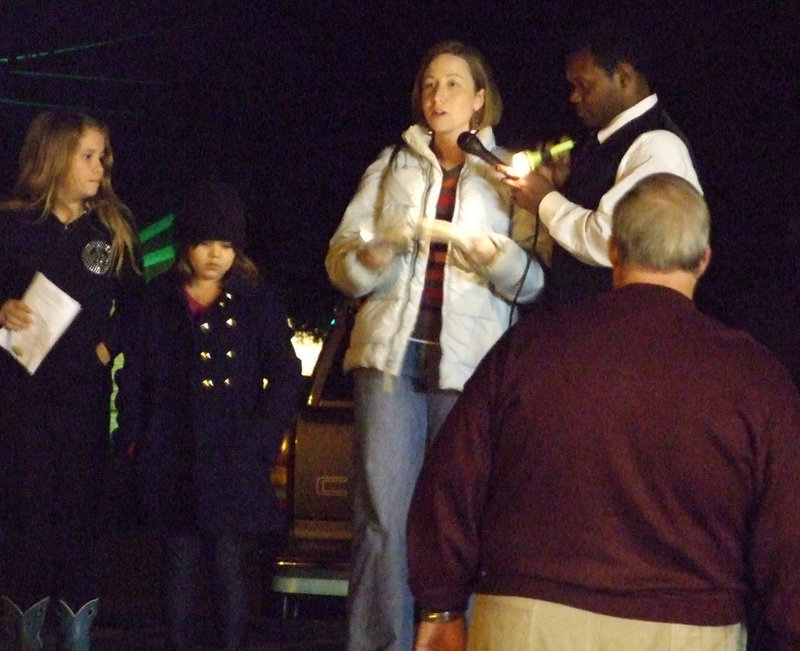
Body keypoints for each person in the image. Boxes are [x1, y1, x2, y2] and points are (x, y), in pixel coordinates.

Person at [407, 173, 800, 651]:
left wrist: (442, 604)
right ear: (703, 259)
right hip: (687, 630)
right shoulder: (754, 378)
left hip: (526, 623)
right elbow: (788, 535)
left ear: (613, 249)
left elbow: (453, 477)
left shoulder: (529, 349)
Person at [325, 40, 544, 650]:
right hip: (390, 362)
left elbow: (534, 282)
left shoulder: (507, 174)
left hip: (470, 368)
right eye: (428, 84)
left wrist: (497, 259)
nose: (436, 95)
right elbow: (340, 262)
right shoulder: (392, 164)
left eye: (451, 84)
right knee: (383, 523)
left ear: (479, 98)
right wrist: (370, 256)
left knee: (460, 524)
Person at [114, 182, 302, 650]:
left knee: (230, 565)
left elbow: (284, 376)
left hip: (234, 458)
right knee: (177, 566)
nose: (215, 255)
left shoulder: (257, 301)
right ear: (185, 246)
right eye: (204, 243)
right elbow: (135, 374)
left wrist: (258, 443)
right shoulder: (160, 300)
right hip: (171, 456)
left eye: (226, 245)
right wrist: (134, 439)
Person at [0, 109, 143, 649]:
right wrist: (2, 310)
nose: (98, 167)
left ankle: (76, 635)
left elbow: (136, 307)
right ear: (55, 156)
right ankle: (24, 635)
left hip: (84, 403)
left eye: (102, 157)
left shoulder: (110, 230)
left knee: (80, 523)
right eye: (87, 155)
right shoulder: (12, 226)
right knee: (26, 522)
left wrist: (110, 346)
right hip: (20, 402)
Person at [503, 21, 701, 305]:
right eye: (571, 86)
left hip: (619, 330)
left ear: (623, 76)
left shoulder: (658, 145)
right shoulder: (606, 140)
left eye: (583, 85)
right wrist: (565, 186)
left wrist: (545, 199)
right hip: (586, 322)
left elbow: (609, 240)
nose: (574, 96)